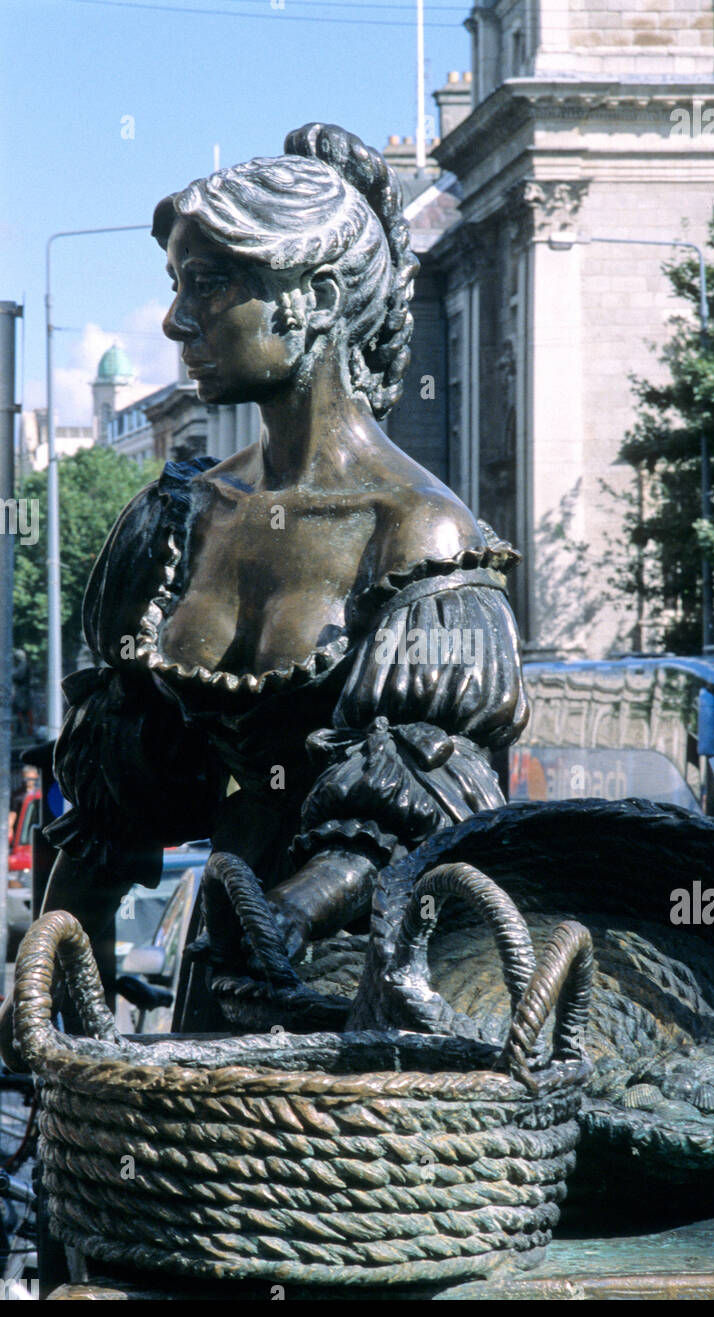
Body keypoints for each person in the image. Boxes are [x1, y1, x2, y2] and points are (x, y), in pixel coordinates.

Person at [4, 124, 528, 1040]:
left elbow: (420, 816)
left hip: (361, 1006)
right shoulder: (175, 521)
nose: (174, 321)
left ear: (314, 299)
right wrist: (49, 981)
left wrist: (286, 914)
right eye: (176, 286)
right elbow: (105, 811)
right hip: (216, 982)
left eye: (206, 284)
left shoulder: (418, 537)